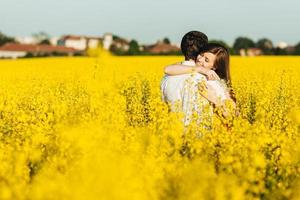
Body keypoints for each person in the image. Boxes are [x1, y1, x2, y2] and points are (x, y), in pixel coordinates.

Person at [164, 42, 236, 119]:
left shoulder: (219, 85)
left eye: (206, 60)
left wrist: (214, 99)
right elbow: (167, 69)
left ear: (215, 67)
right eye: (201, 54)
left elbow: (232, 116)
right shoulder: (195, 70)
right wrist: (200, 69)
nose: (200, 59)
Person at [160, 31, 218, 126]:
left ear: (182, 49)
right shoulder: (207, 79)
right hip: (201, 138)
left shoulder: (166, 78)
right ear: (203, 52)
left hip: (173, 135)